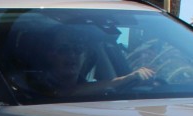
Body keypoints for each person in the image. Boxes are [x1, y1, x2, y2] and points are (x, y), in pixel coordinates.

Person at [26, 26, 154, 97]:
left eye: (78, 49)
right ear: (50, 55)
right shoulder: (35, 82)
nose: (72, 55)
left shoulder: (93, 87)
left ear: (85, 56)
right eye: (64, 50)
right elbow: (68, 93)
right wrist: (125, 79)